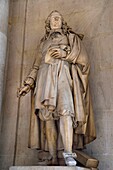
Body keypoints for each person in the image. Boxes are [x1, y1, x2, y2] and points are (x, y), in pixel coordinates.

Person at [17, 10, 96, 166]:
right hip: (45, 79)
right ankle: (52, 156)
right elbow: (36, 66)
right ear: (48, 22)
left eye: (58, 17)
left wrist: (64, 54)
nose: (55, 20)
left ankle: (68, 154)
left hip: (63, 77)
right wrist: (28, 84)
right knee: (47, 117)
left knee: (66, 112)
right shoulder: (43, 43)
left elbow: (84, 59)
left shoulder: (70, 37)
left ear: (62, 21)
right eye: (52, 18)